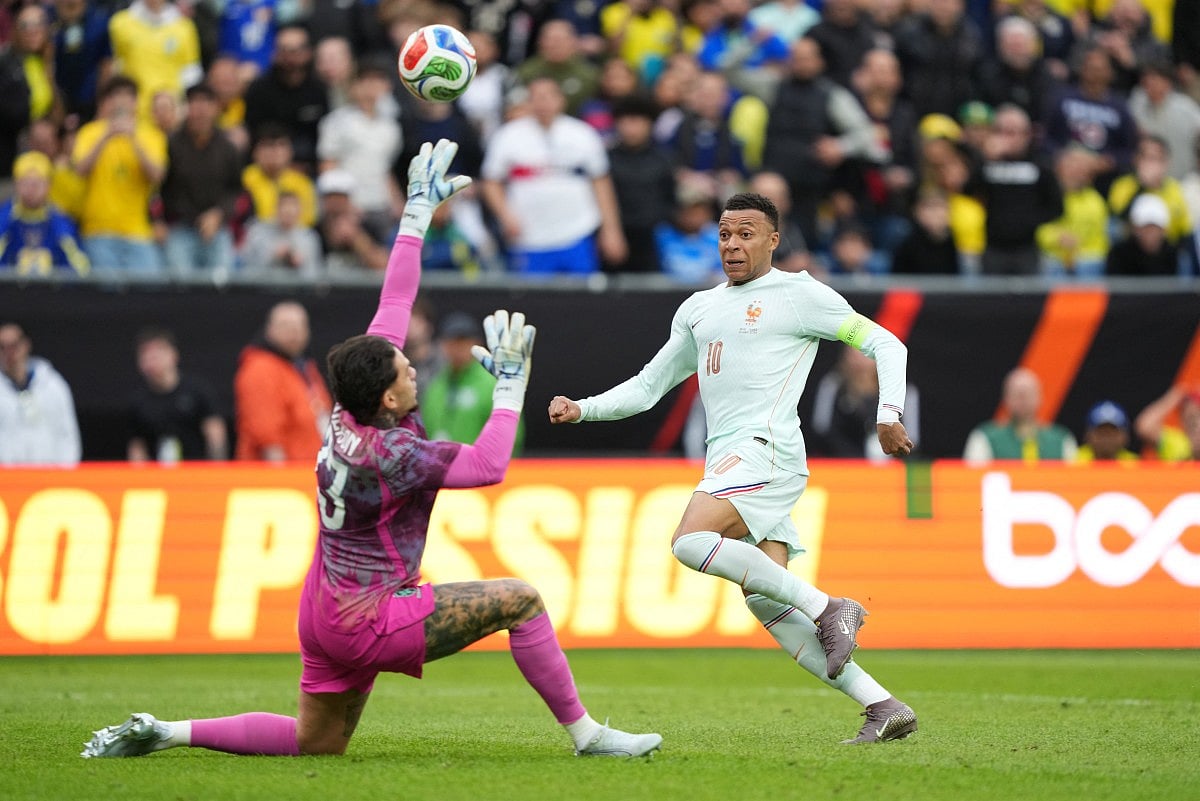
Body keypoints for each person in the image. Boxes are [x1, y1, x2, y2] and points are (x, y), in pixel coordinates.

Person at [82, 139, 662, 760]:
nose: (412, 365)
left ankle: (165, 731)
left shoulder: (349, 405)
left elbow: (395, 301)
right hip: (371, 616)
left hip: (324, 607)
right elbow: (490, 465)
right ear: (388, 397)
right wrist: (511, 387)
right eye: (406, 370)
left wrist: (415, 217)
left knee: (315, 742)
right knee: (520, 601)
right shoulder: (391, 454)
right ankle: (588, 737)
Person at [548, 191, 918, 744]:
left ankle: (831, 607)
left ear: (773, 240)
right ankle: (882, 705)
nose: (732, 245)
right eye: (725, 234)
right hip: (730, 458)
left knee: (690, 541)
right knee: (769, 601)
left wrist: (887, 414)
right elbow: (648, 388)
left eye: (746, 234)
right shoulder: (698, 309)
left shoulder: (800, 295)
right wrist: (583, 409)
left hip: (766, 451)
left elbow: (887, 344)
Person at [233, 300, 332, 462]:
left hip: (309, 467)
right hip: (282, 472)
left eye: (300, 326)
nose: (294, 332)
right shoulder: (261, 368)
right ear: (269, 329)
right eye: (286, 326)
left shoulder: (304, 367)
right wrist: (279, 474)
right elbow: (266, 434)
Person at [421, 311, 524, 454]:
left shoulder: (491, 383)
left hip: (481, 465)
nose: (458, 348)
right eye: (452, 342)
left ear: (477, 344)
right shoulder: (436, 385)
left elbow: (512, 436)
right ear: (443, 345)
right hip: (441, 465)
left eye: (463, 342)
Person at [128, 327, 228, 463]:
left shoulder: (197, 391)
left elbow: (215, 434)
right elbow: (137, 446)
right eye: (145, 355)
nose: (151, 360)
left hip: (196, 469)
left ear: (173, 355)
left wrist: (216, 467)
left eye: (157, 354)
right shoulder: (138, 402)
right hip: (157, 471)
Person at [809, 343, 921, 461]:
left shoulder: (903, 391)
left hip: (891, 467)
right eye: (853, 355)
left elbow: (912, 442)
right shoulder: (832, 386)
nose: (860, 361)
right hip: (842, 465)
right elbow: (821, 432)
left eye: (865, 354)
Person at [0, 322, 81, 466]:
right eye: (2, 347)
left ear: (26, 345)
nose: (9, 352)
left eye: (14, 345)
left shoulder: (53, 385)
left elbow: (67, 433)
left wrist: (66, 471)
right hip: (7, 476)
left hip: (48, 473)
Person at [963, 367, 1078, 464]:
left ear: (1040, 397)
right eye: (1017, 394)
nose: (1023, 399)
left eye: (1028, 393)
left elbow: (1074, 479)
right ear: (1005, 398)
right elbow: (972, 478)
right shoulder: (985, 437)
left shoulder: (1061, 439)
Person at [0, 151, 89, 276]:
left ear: (49, 186)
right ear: (16, 184)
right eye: (25, 183)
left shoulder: (60, 223)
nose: (31, 189)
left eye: (37, 183)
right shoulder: (5, 219)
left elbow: (81, 269)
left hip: (52, 288)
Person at [1134, 385, 1200, 461]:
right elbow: (1144, 427)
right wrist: (1177, 394)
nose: (1197, 431)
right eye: (1192, 424)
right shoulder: (1178, 444)